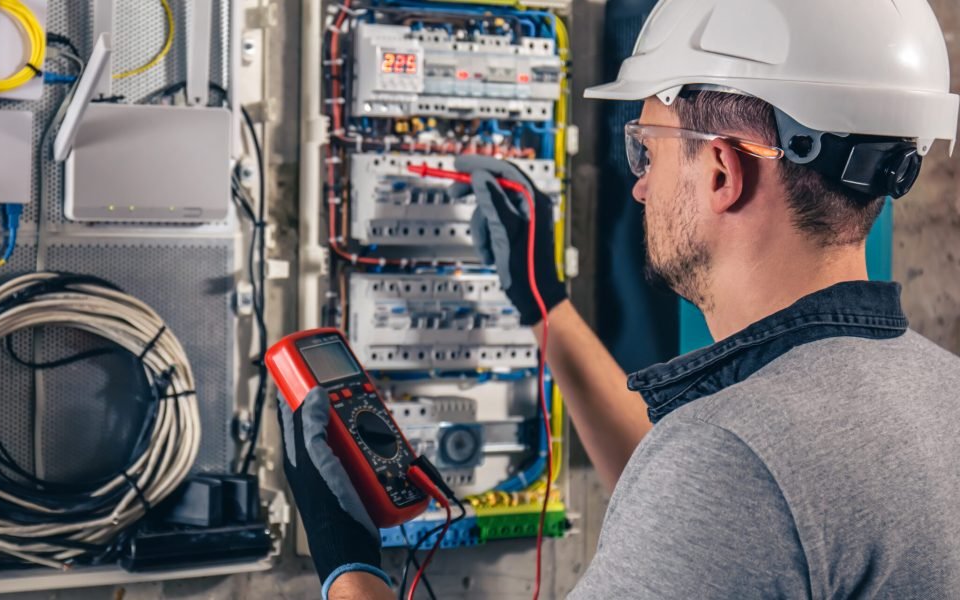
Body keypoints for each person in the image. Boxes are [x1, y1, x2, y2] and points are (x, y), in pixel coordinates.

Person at [281, 0, 960, 597]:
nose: (640, 187)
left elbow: (725, 491)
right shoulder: (938, 392)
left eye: (649, 151)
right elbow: (724, 520)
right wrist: (545, 306)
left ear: (723, 170)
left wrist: (347, 566)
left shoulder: (731, 461)